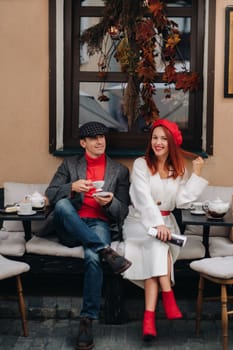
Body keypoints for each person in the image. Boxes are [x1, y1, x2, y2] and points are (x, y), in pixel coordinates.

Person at [45, 121, 132, 350]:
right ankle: (106, 250)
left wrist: (111, 201)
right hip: (70, 225)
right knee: (63, 205)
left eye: (102, 137)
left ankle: (86, 321)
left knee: (93, 259)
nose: (100, 141)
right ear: (83, 143)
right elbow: (51, 194)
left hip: (99, 223)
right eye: (93, 138)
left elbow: (123, 211)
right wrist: (71, 187)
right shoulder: (70, 165)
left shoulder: (119, 171)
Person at [122, 119, 208, 341]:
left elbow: (181, 201)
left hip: (167, 223)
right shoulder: (141, 164)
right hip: (139, 222)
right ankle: (168, 296)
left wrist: (196, 174)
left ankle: (148, 319)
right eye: (154, 137)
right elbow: (141, 197)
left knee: (157, 248)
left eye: (163, 138)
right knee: (158, 243)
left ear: (171, 143)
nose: (158, 142)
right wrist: (155, 224)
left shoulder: (177, 169)